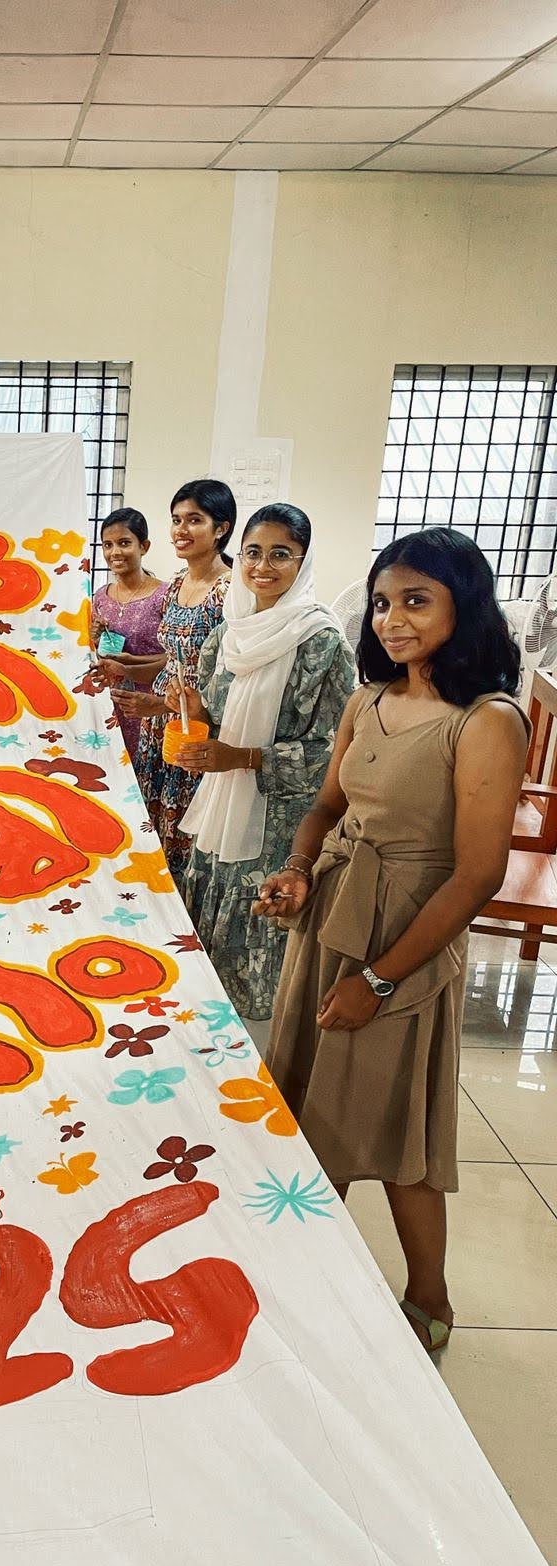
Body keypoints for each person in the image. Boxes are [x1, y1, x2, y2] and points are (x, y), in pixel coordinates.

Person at [255, 527, 528, 1355]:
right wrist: (298, 871)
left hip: (407, 940)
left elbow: (476, 875)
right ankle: (306, 1274)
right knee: (310, 1106)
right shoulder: (368, 700)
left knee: (395, 1123)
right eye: (381, 602)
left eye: (416, 601)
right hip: (332, 922)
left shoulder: (486, 721)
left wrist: (377, 980)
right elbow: (327, 808)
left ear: (463, 608)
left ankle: (429, 1294)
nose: (392, 619)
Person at [164, 505, 354, 1027]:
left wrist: (243, 758)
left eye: (280, 554)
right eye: (253, 553)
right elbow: (219, 715)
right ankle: (210, 1041)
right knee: (209, 944)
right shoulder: (229, 634)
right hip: (223, 812)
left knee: (263, 935)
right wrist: (197, 713)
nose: (262, 566)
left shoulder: (322, 642)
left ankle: (261, 1055)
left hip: (282, 825)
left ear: (303, 562)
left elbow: (336, 752)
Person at [110, 478, 234, 883]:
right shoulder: (178, 583)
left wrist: (161, 704)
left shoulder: (229, 591)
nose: (181, 529)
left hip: (198, 724)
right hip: (160, 724)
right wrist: (128, 668)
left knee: (189, 830)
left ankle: (185, 912)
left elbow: (225, 676)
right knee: (156, 824)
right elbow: (172, 659)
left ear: (221, 528)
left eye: (194, 520)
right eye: (176, 520)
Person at [89, 508, 167, 766]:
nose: (115, 552)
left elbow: (178, 658)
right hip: (110, 706)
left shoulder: (165, 596)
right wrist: (94, 639)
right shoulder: (101, 596)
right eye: (108, 545)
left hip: (151, 706)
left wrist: (131, 663)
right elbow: (97, 653)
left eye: (124, 543)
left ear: (144, 546)